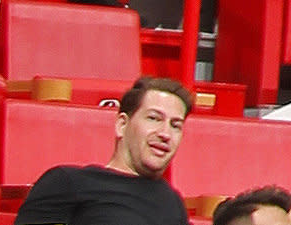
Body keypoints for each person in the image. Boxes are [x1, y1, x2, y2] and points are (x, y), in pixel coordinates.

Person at [11, 78, 193, 225]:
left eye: (175, 126)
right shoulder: (68, 182)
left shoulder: (173, 203)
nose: (165, 134)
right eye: (154, 118)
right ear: (122, 125)